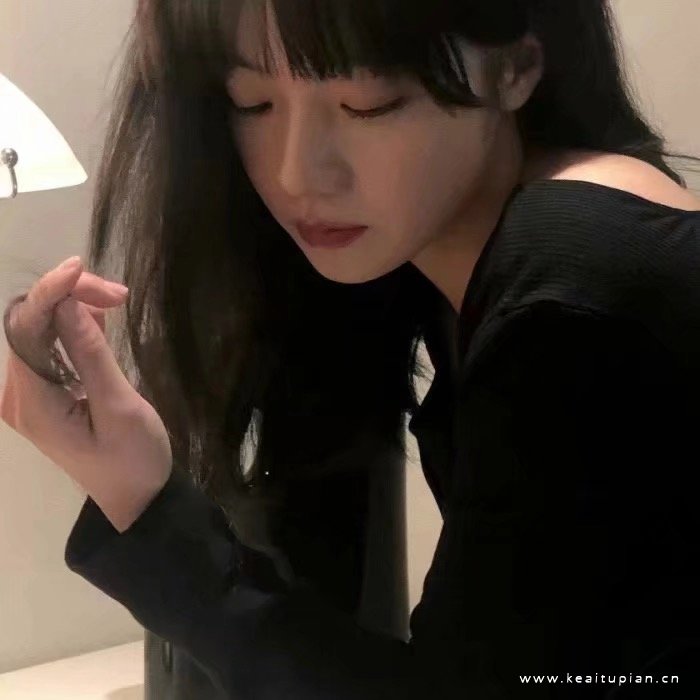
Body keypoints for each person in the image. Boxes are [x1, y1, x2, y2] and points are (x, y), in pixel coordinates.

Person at [2, 0, 700, 697]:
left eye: (368, 104)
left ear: (516, 67)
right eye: (253, 102)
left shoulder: (573, 287)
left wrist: (140, 501)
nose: (296, 175)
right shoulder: (474, 257)